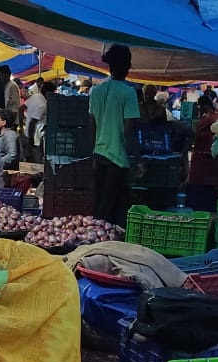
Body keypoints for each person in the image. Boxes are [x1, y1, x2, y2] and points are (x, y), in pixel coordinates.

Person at [89, 45, 141, 227]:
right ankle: (106, 239)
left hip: (99, 155)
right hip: (117, 159)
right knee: (112, 206)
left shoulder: (96, 91)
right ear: (128, 66)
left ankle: (96, 236)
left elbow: (91, 126)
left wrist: (94, 153)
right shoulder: (128, 93)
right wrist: (138, 160)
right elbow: (128, 132)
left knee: (99, 203)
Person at [188, 95, 218, 211]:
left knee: (206, 186)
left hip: (208, 158)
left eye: (200, 105)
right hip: (202, 158)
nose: (198, 108)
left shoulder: (214, 119)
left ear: (204, 105)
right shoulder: (210, 118)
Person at [24, 82, 50, 162]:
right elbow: (32, 123)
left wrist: (22, 127)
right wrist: (31, 140)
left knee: (29, 159)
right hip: (35, 137)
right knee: (36, 161)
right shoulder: (42, 105)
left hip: (28, 133)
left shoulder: (36, 96)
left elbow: (21, 108)